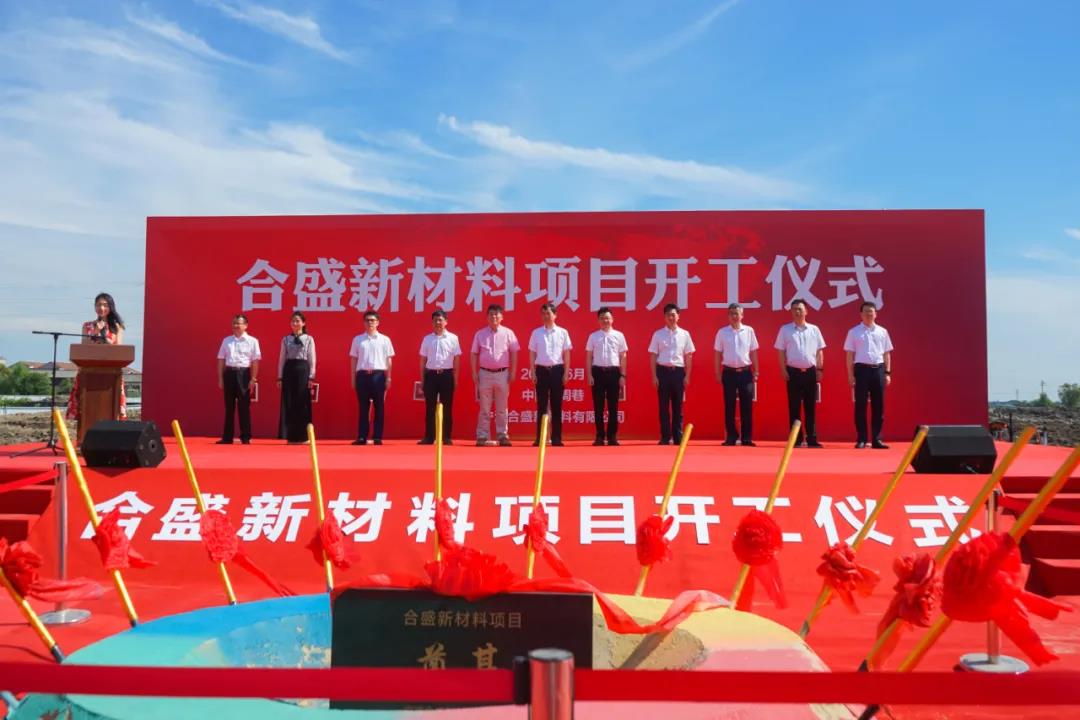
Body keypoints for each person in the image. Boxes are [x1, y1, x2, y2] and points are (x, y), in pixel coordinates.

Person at [66, 292, 127, 422]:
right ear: (95, 307)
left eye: (105, 305)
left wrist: (109, 343)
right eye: (99, 305)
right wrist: (96, 332)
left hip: (112, 373)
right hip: (88, 372)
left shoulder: (117, 327)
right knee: (87, 407)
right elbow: (83, 347)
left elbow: (119, 351)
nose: (101, 308)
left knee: (110, 407)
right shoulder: (87, 326)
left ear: (110, 307)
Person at [774, 299, 826, 448]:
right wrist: (783, 369)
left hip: (810, 372)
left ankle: (812, 439)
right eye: (794, 309)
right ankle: (796, 439)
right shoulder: (785, 330)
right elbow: (781, 351)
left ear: (806, 311)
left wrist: (820, 369)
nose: (797, 312)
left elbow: (819, 351)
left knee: (810, 407)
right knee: (794, 407)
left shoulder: (814, 329)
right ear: (791, 312)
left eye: (800, 309)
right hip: (793, 372)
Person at [844, 301, 894, 449]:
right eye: (865, 311)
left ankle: (877, 439)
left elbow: (887, 354)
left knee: (878, 405)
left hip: (878, 369)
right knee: (860, 405)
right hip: (861, 370)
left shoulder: (882, 332)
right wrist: (850, 375)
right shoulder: (854, 332)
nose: (868, 314)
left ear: (875, 314)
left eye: (871, 311)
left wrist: (887, 372)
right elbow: (849, 355)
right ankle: (861, 439)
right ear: (861, 314)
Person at [470, 304, 519, 447]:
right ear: (487, 317)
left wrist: (513, 372)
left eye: (497, 314)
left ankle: (502, 435)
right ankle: (482, 435)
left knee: (502, 408)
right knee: (484, 408)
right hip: (484, 374)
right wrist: (474, 372)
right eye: (491, 314)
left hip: (502, 374)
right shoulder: (480, 334)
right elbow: (474, 353)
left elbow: (514, 353)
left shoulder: (508, 333)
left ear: (502, 317)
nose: (494, 317)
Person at [648, 303, 695, 445]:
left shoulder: (684, 334)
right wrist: (654, 376)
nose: (671, 318)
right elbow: (653, 356)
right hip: (662, 372)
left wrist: (687, 375)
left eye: (673, 315)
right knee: (663, 407)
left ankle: (677, 436)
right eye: (668, 315)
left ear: (678, 316)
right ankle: (665, 437)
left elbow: (689, 355)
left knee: (677, 407)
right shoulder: (658, 334)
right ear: (664, 317)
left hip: (678, 372)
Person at [714, 303, 760, 446]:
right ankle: (731, 437)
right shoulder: (722, 332)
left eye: (736, 313)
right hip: (728, 373)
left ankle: (746, 438)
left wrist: (756, 370)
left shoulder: (749, 331)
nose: (734, 316)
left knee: (747, 406)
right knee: (729, 405)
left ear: (742, 315)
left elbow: (754, 351)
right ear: (728, 316)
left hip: (745, 373)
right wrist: (717, 372)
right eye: (731, 313)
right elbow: (717, 353)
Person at [528, 303, 572, 447]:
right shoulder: (536, 333)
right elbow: (532, 353)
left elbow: (566, 354)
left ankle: (556, 438)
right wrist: (532, 371)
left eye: (548, 313)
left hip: (557, 370)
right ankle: (540, 438)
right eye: (543, 314)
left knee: (556, 405)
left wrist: (566, 373)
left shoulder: (563, 332)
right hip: (541, 370)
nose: (546, 316)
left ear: (555, 315)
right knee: (541, 406)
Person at [349, 311, 394, 446]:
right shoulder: (358, 340)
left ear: (378, 322)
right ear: (364, 322)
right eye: (367, 320)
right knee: (363, 407)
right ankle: (362, 436)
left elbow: (389, 360)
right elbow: (353, 359)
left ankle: (377, 437)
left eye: (373, 320)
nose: (370, 323)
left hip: (378, 376)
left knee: (379, 407)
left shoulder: (385, 340)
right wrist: (353, 378)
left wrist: (389, 378)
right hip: (362, 376)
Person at [585, 307, 628, 446]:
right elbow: (589, 356)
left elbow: (623, 356)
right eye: (602, 318)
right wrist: (589, 374)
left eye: (608, 318)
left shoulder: (619, 335)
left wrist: (623, 375)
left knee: (613, 406)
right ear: (598, 320)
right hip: (597, 372)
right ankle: (599, 436)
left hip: (614, 372)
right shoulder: (593, 336)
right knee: (598, 406)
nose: (605, 320)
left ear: (612, 319)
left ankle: (612, 436)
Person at [418, 309, 461, 445]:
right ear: (432, 322)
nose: (438, 322)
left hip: (446, 375)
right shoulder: (427, 339)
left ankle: (446, 437)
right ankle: (429, 437)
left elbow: (457, 359)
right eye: (435, 320)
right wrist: (423, 379)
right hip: (430, 375)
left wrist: (455, 378)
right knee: (430, 407)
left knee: (447, 407)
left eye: (440, 320)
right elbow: (422, 360)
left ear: (446, 322)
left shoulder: (453, 338)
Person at [216, 314, 261, 445]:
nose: (235, 326)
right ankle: (227, 437)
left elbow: (255, 361)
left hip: (244, 373)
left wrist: (253, 378)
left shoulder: (252, 341)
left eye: (238, 323)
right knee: (229, 406)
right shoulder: (227, 340)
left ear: (246, 325)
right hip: (229, 373)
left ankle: (245, 436)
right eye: (234, 323)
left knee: (244, 406)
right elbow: (221, 359)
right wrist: (220, 378)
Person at [276, 311, 316, 444]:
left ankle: (304, 436)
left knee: (302, 403)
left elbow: (312, 358)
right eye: (293, 321)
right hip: (289, 370)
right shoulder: (286, 339)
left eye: (298, 321)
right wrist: (280, 377)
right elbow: (282, 359)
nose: (295, 323)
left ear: (303, 323)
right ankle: (290, 436)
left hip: (303, 370)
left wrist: (311, 376)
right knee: (289, 402)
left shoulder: (309, 339)